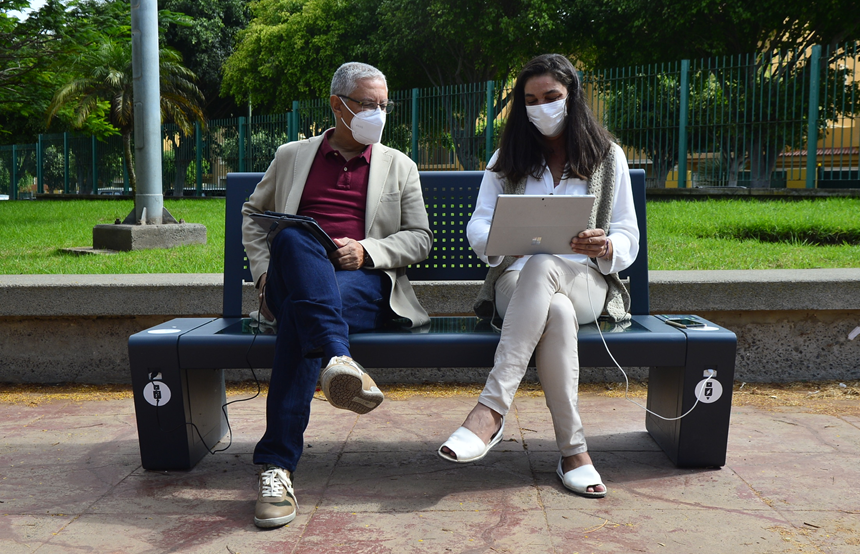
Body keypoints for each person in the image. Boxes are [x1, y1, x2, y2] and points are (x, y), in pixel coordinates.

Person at [437, 54, 639, 498]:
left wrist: (606, 246)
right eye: (530, 100)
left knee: (550, 269)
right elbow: (478, 223)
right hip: (516, 284)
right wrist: (495, 240)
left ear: (573, 97)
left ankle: (490, 411)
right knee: (558, 313)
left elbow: (628, 234)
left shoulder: (607, 157)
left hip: (585, 280)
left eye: (551, 97)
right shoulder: (506, 158)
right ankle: (574, 453)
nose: (541, 107)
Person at [242, 62, 433, 528]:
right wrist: (265, 276)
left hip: (362, 285)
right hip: (292, 276)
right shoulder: (292, 156)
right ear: (337, 105)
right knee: (292, 236)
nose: (378, 113)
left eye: (383, 105)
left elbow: (421, 239)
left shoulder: (399, 166)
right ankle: (339, 359)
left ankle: (277, 466)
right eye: (368, 104)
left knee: (299, 318)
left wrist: (367, 250)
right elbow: (254, 213)